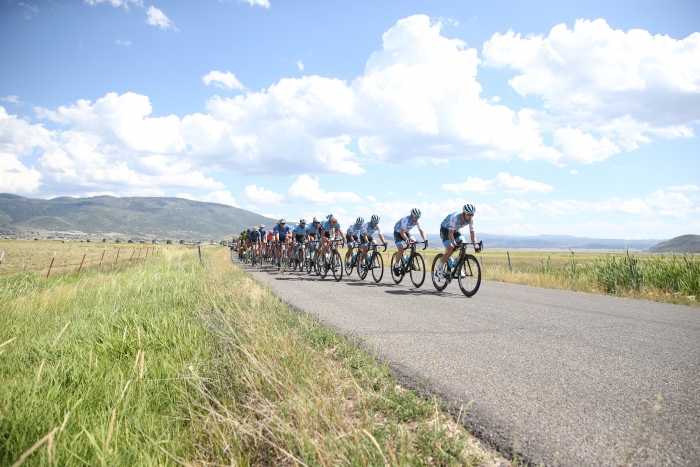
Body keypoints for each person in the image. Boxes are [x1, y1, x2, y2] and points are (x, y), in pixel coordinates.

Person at [437, 204, 480, 279]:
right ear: (464, 213)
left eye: (472, 214)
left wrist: (475, 246)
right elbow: (450, 234)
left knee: (464, 246)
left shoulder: (471, 220)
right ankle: (439, 268)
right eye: (469, 214)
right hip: (445, 230)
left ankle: (457, 265)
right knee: (450, 250)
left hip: (455, 230)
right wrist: (454, 244)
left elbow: (472, 234)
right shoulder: (455, 218)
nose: (471, 216)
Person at [392, 208, 427, 276]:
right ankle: (396, 266)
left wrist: (425, 239)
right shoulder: (405, 219)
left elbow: (421, 230)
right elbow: (402, 233)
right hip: (398, 233)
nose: (417, 219)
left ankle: (411, 261)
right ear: (411, 215)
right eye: (416, 217)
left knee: (414, 242)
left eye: (418, 217)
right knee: (401, 249)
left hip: (406, 232)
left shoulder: (417, 220)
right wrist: (407, 239)